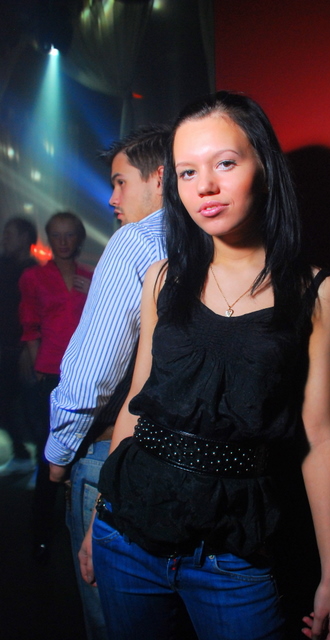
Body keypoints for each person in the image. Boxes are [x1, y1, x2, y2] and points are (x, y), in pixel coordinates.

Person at [79, 91, 330, 640]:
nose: (205, 186)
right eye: (187, 172)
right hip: (126, 537)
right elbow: (137, 403)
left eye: (224, 163)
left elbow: (317, 438)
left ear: (263, 168)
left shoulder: (316, 293)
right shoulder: (162, 277)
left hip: (234, 554)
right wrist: (99, 515)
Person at [45, 125, 170, 640]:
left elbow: (92, 372)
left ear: (158, 177)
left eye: (120, 182)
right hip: (189, 463)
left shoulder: (135, 242)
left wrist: (59, 451)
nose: (112, 198)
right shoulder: (214, 237)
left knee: (113, 623)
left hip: (113, 454)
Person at [19, 211, 92, 560]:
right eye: (57, 235)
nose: (63, 242)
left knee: (79, 455)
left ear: (78, 238)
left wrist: (93, 294)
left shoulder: (90, 276)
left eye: (69, 235)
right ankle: (41, 534)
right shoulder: (33, 277)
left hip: (82, 375)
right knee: (49, 457)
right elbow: (29, 325)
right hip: (48, 373)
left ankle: (73, 529)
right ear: (49, 239)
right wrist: (37, 366)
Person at [0, 217, 38, 475]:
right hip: (5, 346)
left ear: (25, 238)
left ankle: (41, 462)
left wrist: (28, 347)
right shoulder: (4, 266)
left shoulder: (33, 272)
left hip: (21, 349)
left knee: (29, 407)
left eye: (9, 234)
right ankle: (23, 454)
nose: (4, 239)